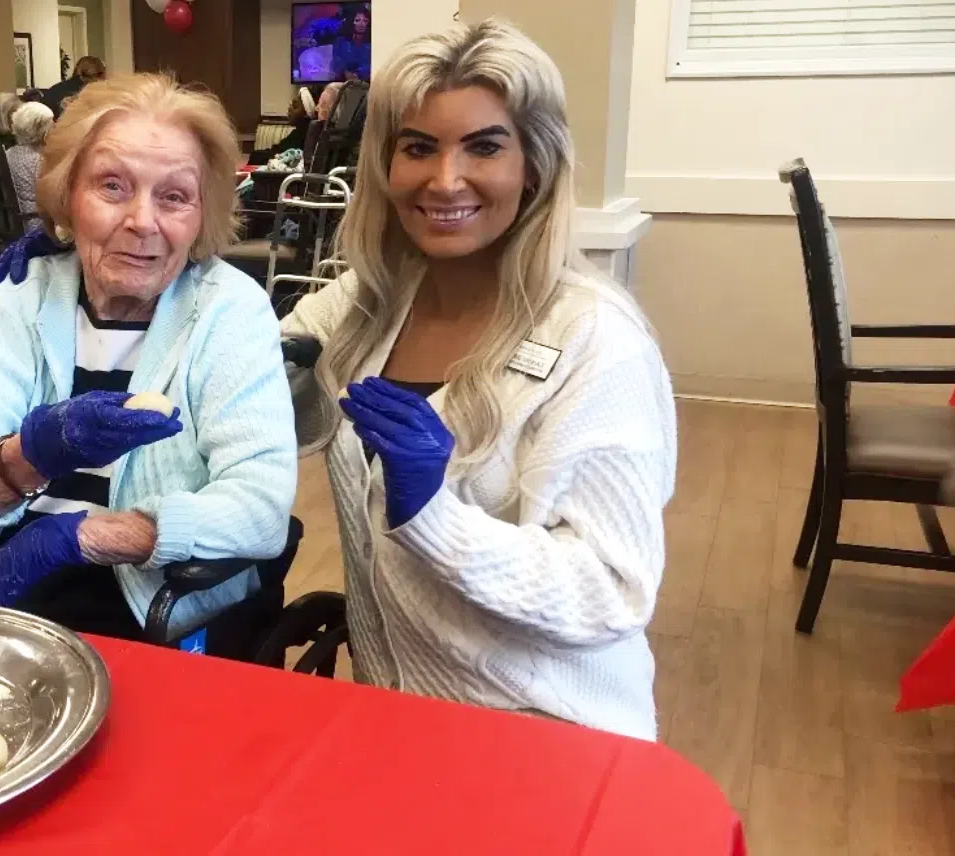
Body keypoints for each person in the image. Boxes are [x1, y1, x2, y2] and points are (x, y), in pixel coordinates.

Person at [281, 21, 676, 740]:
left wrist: (434, 516)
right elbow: (252, 381)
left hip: (548, 732)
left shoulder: (595, 340)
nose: (445, 179)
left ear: (534, 165)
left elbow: (611, 593)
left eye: (484, 147)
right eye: (417, 147)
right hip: (396, 720)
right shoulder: (365, 305)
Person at [0, 74, 297, 641]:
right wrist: (25, 459)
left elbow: (260, 509)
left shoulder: (230, 311)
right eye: (112, 186)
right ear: (67, 196)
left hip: (144, 599)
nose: (143, 221)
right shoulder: (16, 298)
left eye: (174, 196)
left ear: (202, 215)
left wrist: (80, 537)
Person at [4, 101, 54, 214]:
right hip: (37, 219)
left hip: (17, 216)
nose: (55, 127)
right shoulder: (38, 161)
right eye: (52, 124)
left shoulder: (9, 153)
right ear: (43, 131)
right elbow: (52, 198)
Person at [247, 88, 314, 166]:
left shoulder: (306, 136)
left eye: (295, 106)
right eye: (291, 105)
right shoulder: (297, 132)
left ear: (306, 114)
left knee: (255, 156)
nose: (289, 109)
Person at [331, 5, 372, 83]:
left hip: (365, 82)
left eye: (365, 21)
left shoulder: (371, 44)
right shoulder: (340, 41)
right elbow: (336, 61)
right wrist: (346, 72)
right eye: (357, 20)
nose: (361, 24)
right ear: (351, 21)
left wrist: (358, 74)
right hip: (342, 81)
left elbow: (371, 64)